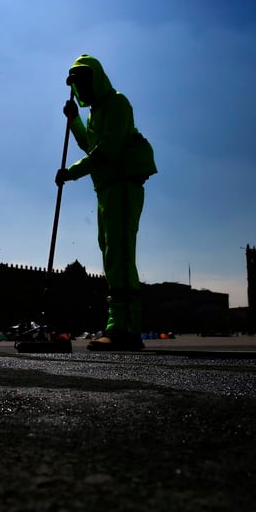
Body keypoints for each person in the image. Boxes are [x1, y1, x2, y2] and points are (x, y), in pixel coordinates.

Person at [55, 54, 157, 351]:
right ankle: (118, 324)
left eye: (84, 82)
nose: (80, 89)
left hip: (123, 183)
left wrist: (70, 173)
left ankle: (126, 328)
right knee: (110, 251)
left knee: (120, 253)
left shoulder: (117, 103)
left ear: (96, 79)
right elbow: (89, 143)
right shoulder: (94, 113)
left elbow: (104, 151)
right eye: (75, 85)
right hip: (106, 188)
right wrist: (74, 120)